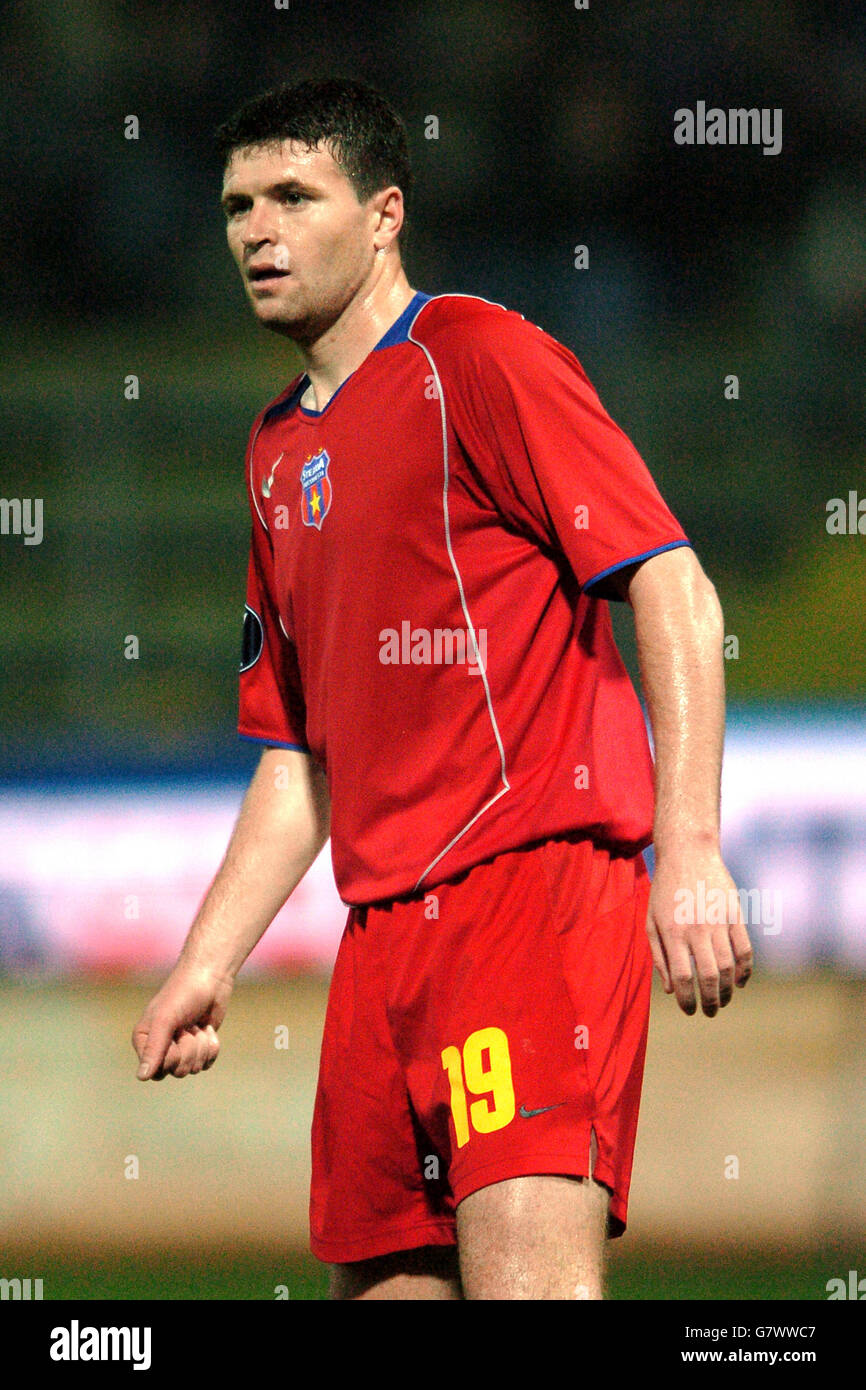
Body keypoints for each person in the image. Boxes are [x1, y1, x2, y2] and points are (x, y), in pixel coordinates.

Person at [132, 77, 753, 1300]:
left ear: (382, 216)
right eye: (237, 204)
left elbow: (671, 584)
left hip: (527, 899)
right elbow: (295, 753)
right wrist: (208, 956)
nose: (256, 229)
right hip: (381, 947)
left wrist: (686, 847)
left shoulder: (477, 358)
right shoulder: (277, 452)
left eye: (294, 196)